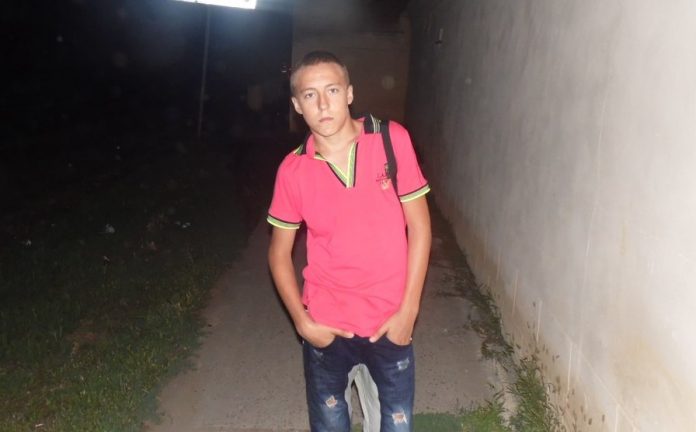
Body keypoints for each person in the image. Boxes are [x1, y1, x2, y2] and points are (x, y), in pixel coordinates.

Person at [267, 50, 431, 432]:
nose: (323, 104)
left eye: (332, 90)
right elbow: (278, 254)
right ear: (297, 105)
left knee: (394, 425)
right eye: (310, 95)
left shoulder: (390, 140)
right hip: (327, 327)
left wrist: (408, 312)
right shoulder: (293, 170)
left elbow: (420, 229)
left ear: (350, 93)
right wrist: (303, 323)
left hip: (389, 322)